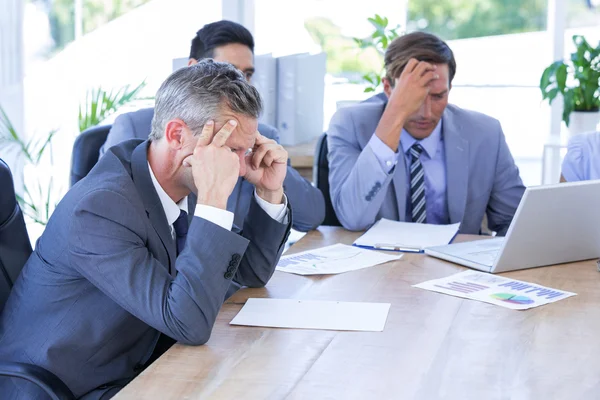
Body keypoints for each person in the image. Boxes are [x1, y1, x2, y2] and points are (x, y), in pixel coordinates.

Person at [0, 60, 291, 399]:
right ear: (177, 135)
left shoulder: (184, 184)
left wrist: (270, 192)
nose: (241, 168)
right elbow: (189, 324)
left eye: (247, 150)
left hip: (137, 369)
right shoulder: (99, 208)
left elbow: (249, 273)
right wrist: (214, 199)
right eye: (230, 150)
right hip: (66, 389)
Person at [100, 20, 325, 232]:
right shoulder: (132, 127)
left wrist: (273, 185)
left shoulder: (256, 137)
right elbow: (105, 215)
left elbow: (312, 217)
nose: (240, 83)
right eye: (229, 71)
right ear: (193, 70)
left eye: (246, 74)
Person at [327, 32, 525, 235]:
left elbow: (515, 222)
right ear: (388, 88)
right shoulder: (350, 125)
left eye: (439, 96)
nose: (426, 113)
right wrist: (395, 114)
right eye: (415, 98)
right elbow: (353, 217)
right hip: (381, 263)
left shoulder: (485, 133)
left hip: (457, 263)